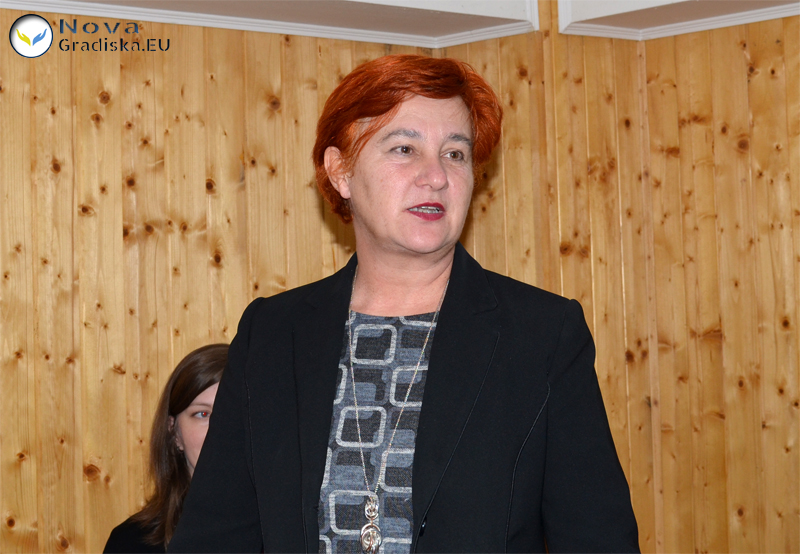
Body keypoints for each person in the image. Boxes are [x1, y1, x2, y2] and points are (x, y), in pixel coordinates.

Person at [169, 55, 639, 553]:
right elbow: (214, 537)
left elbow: (598, 539)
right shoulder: (272, 333)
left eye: (455, 153)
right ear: (341, 171)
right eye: (404, 148)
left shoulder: (541, 334)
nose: (436, 176)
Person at [104, 343, 228, 553]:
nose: (219, 430)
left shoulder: (285, 534)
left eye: (232, 412)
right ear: (175, 432)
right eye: (202, 414)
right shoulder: (131, 544)